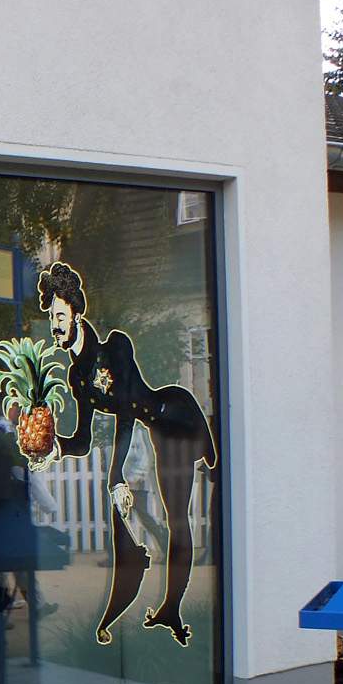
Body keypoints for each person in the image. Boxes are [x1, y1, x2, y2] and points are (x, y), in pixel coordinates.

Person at [34, 261, 217, 645]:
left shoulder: (116, 346)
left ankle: (172, 607)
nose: (55, 325)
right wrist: (56, 448)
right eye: (51, 318)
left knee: (178, 518)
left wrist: (116, 476)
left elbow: (128, 409)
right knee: (171, 519)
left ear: (76, 313)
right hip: (155, 432)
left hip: (174, 420)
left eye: (60, 316)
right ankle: (166, 605)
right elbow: (83, 439)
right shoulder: (78, 377)